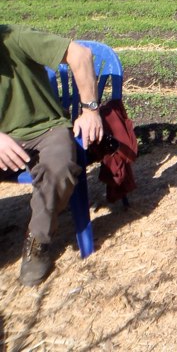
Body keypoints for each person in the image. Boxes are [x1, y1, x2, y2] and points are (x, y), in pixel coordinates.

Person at [0, 25, 104, 286]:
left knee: (59, 168)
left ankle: (37, 240)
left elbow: (80, 54)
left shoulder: (14, 39)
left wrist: (91, 111)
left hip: (45, 129)